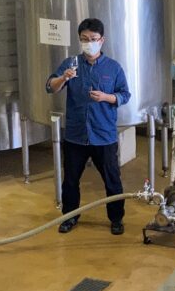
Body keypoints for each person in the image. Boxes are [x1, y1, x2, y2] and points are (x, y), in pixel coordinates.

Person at [47, 18, 130, 236]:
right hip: (76, 135)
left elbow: (124, 95)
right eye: (84, 39)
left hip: (104, 135)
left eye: (93, 39)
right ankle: (69, 217)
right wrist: (63, 78)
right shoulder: (70, 63)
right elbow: (51, 87)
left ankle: (116, 218)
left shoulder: (113, 68)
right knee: (70, 181)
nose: (89, 43)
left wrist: (106, 97)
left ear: (102, 40)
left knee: (112, 180)